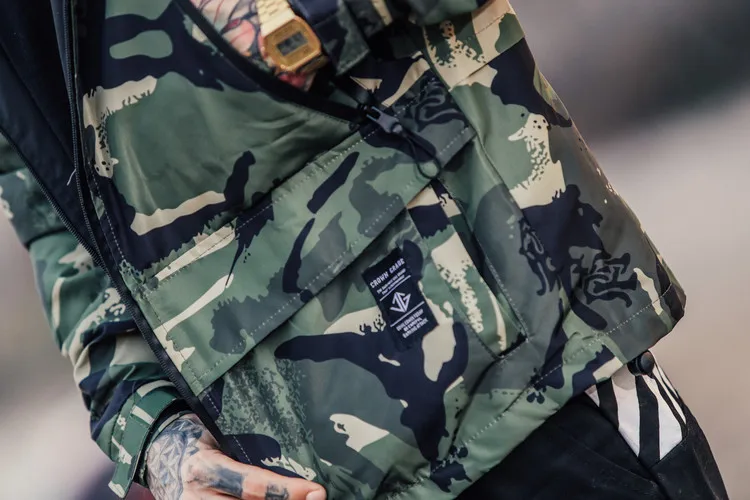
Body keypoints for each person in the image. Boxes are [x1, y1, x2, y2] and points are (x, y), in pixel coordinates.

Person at [0, 0, 728, 499]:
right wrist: (160, 439)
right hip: (297, 467)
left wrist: (297, 21)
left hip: (522, 387)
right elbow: (61, 229)